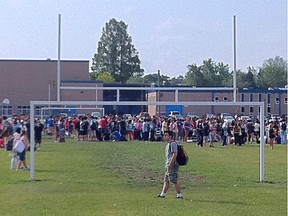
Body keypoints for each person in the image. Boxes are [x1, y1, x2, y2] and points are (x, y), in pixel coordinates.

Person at [156, 130, 183, 199]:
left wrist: (170, 164)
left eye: (166, 135)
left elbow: (175, 154)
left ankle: (179, 195)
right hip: (168, 164)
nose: (164, 136)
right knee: (166, 180)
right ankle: (163, 194)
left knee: (174, 180)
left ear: (170, 136)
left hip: (172, 165)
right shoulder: (168, 144)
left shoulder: (173, 144)